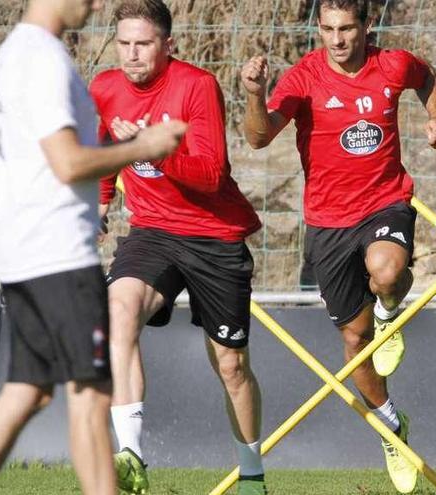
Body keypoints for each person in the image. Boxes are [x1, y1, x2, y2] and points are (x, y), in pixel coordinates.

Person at [241, 0, 436, 491]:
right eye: (328, 29)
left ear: (366, 26)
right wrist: (254, 95)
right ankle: (391, 429)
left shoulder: (392, 64)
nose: (336, 40)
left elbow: (428, 79)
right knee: (355, 344)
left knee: (387, 269)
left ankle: (389, 310)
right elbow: (258, 138)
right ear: (319, 28)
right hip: (328, 223)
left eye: (346, 29)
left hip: (384, 203)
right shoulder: (303, 77)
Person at [0, 0, 185, 493]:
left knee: (27, 393)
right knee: (92, 399)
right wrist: (145, 147)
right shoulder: (42, 58)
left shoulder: (15, 53)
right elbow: (67, 163)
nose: (95, 5)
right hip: (58, 257)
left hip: (25, 253)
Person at [91, 1, 266, 494]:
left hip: (215, 236)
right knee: (118, 308)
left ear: (168, 45)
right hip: (153, 232)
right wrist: (101, 204)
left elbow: (211, 175)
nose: (131, 54)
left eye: (143, 44)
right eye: (123, 43)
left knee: (231, 367)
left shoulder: (196, 86)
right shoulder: (104, 87)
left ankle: (252, 476)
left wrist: (151, 146)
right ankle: (131, 454)